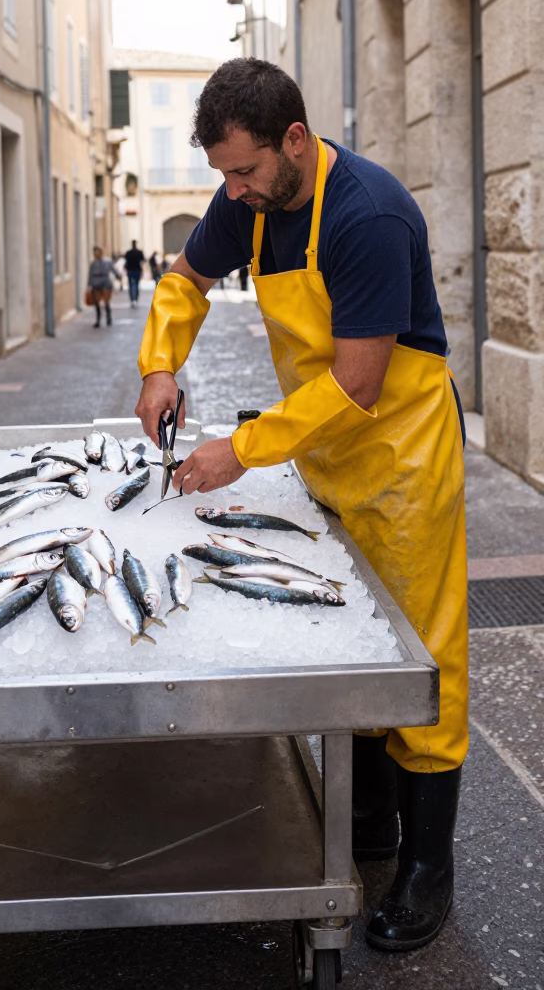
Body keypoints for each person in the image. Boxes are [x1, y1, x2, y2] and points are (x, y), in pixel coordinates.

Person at [135, 58, 467, 954]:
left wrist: (238, 451)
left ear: (293, 139)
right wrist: (160, 362)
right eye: (222, 177)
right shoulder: (250, 203)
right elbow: (184, 282)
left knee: (425, 650)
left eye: (243, 171)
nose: (233, 192)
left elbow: (358, 383)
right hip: (323, 451)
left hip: (398, 453)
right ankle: (369, 826)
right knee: (351, 638)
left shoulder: (368, 212)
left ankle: (428, 869)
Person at [86, 246, 116, 328]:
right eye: (95, 252)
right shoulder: (93, 264)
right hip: (96, 284)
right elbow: (90, 275)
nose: (96, 254)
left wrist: (118, 276)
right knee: (96, 303)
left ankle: (108, 317)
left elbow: (113, 270)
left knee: (106, 302)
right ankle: (98, 320)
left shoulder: (107, 262)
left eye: (98, 252)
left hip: (105, 283)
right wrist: (89, 286)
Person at [124, 239, 145, 307]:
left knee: (130, 286)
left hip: (130, 270)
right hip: (137, 270)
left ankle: (132, 299)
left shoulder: (128, 252)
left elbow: (126, 260)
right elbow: (142, 261)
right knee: (136, 285)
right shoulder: (139, 252)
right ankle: (135, 299)